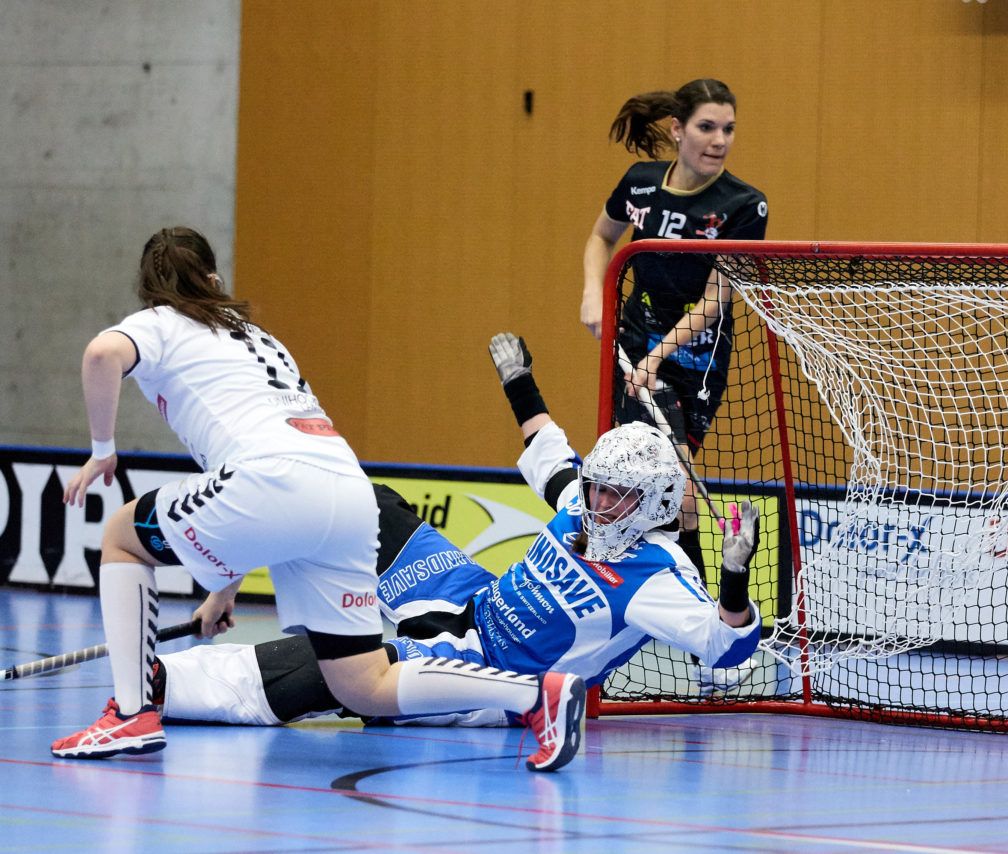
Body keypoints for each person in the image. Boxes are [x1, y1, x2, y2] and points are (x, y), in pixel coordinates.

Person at [51, 228, 585, 772]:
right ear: (213, 279)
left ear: (151, 292)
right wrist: (224, 592)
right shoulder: (258, 338)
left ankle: (130, 714)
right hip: (348, 492)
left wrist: (102, 451)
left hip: (274, 482)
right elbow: (257, 491)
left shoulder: (160, 320)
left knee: (122, 537)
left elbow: (101, 354)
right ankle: (533, 694)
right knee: (364, 684)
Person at [128, 333, 764, 728]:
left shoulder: (657, 576)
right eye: (594, 485)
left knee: (338, 672)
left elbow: (725, 647)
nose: (595, 501)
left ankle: (165, 683)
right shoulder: (583, 508)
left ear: (651, 503)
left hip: (481, 673)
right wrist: (520, 381)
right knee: (360, 505)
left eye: (614, 494)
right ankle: (255, 590)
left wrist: (733, 582)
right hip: (466, 598)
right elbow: (548, 451)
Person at [580, 78, 768, 584]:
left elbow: (715, 301)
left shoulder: (744, 206)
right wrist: (593, 293)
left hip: (696, 360)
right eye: (707, 127)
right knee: (675, 495)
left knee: (676, 503)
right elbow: (602, 236)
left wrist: (658, 356)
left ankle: (699, 617)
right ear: (677, 129)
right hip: (636, 343)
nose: (720, 140)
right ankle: (706, 623)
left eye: (728, 129)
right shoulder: (641, 182)